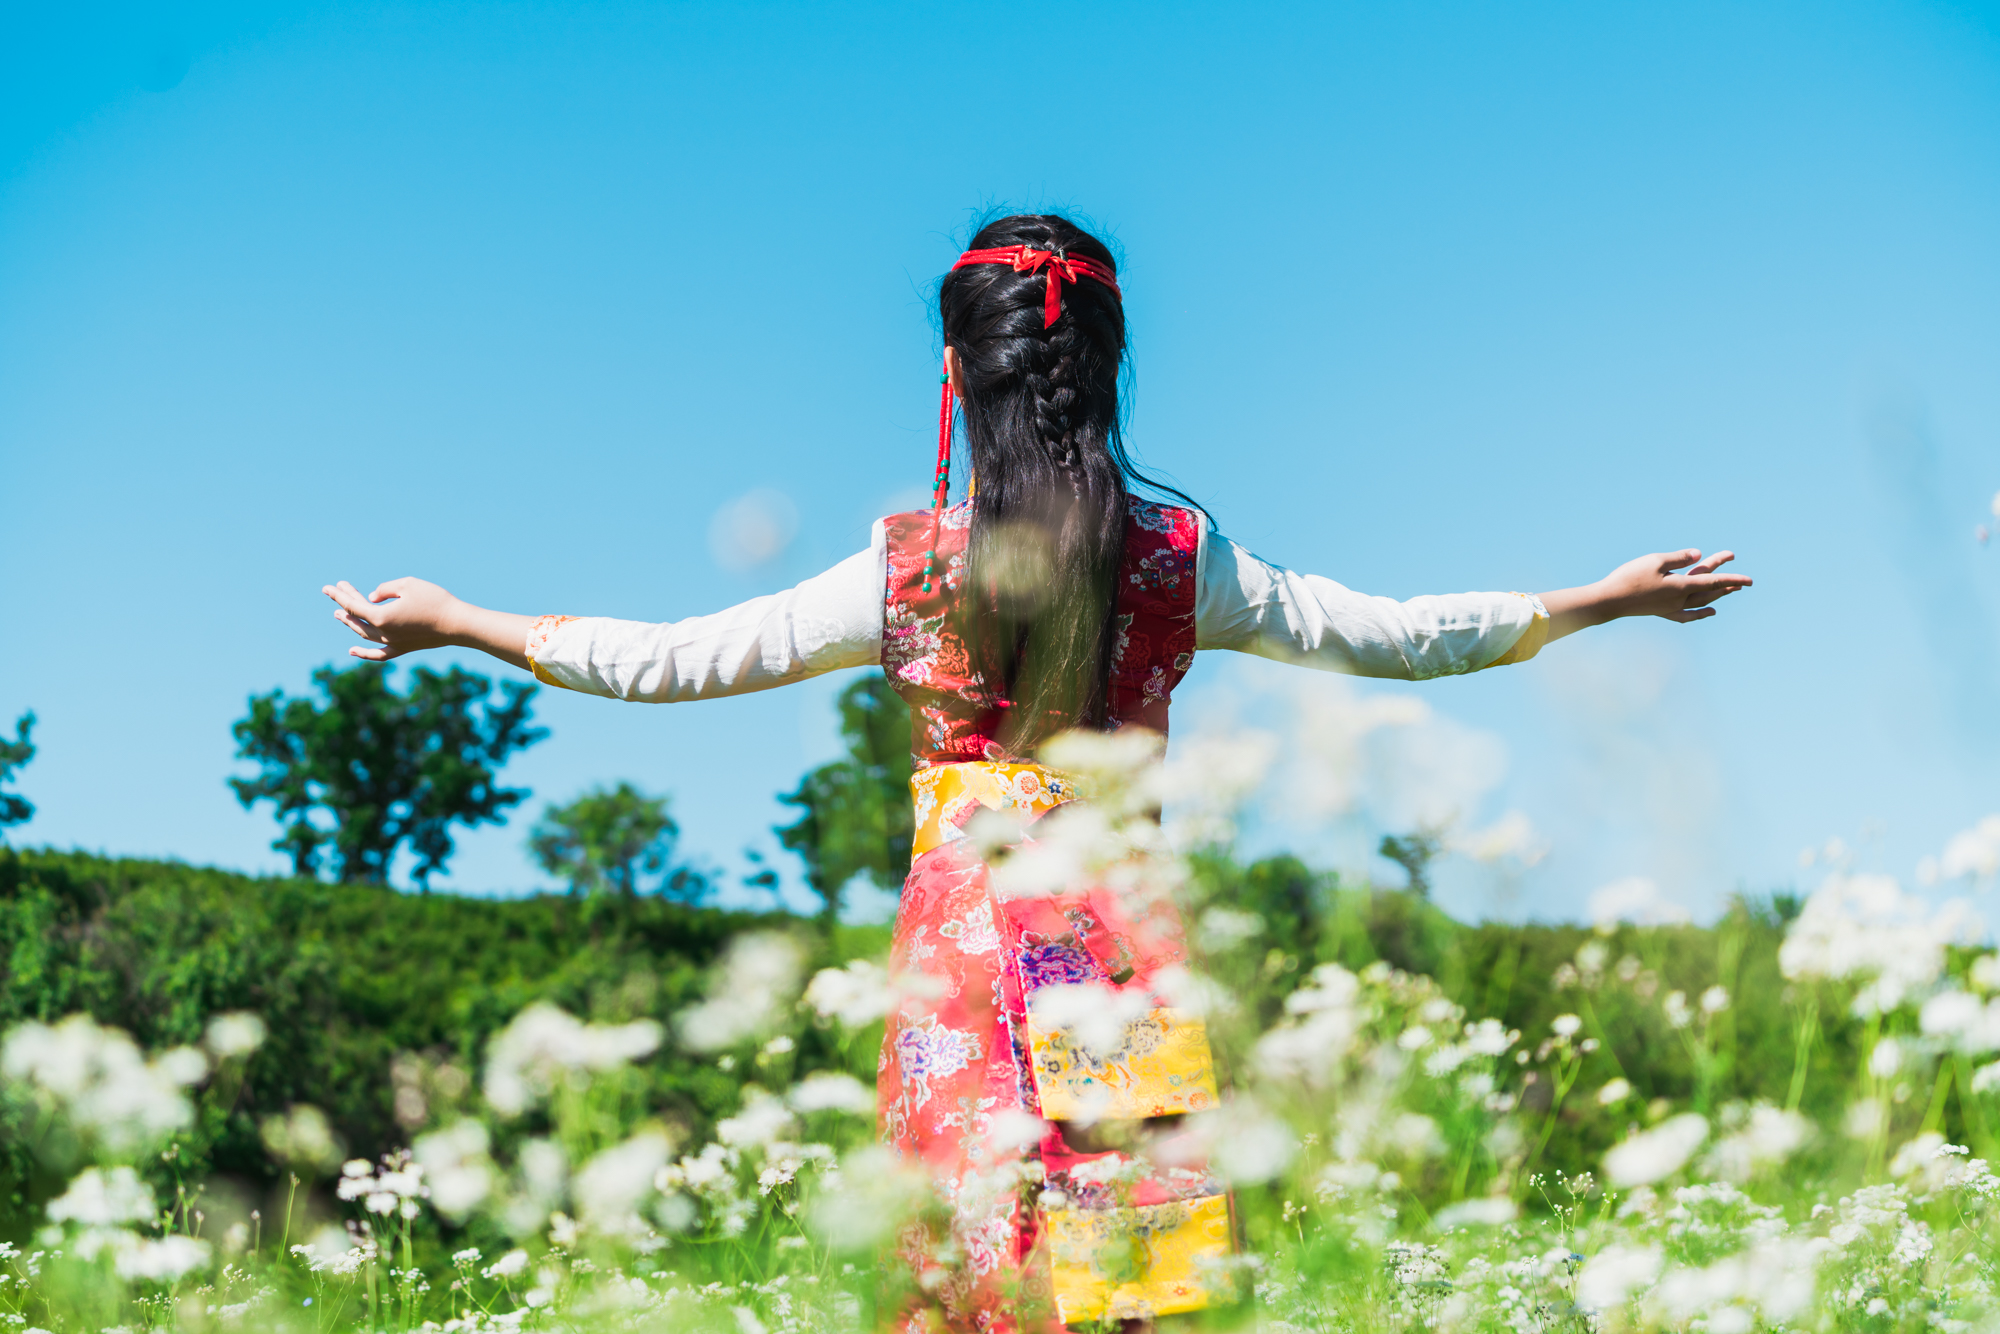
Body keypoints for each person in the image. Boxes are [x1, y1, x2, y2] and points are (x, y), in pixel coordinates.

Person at [324, 212, 1750, 1331]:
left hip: (961, 966)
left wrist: (459, 619)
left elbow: (672, 658)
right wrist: (1591, 603)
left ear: (958, 369)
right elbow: (1390, 636)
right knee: (1139, 1276)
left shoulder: (908, 571)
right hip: (1121, 953)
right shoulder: (1180, 560)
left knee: (972, 1279)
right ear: (1109, 370)